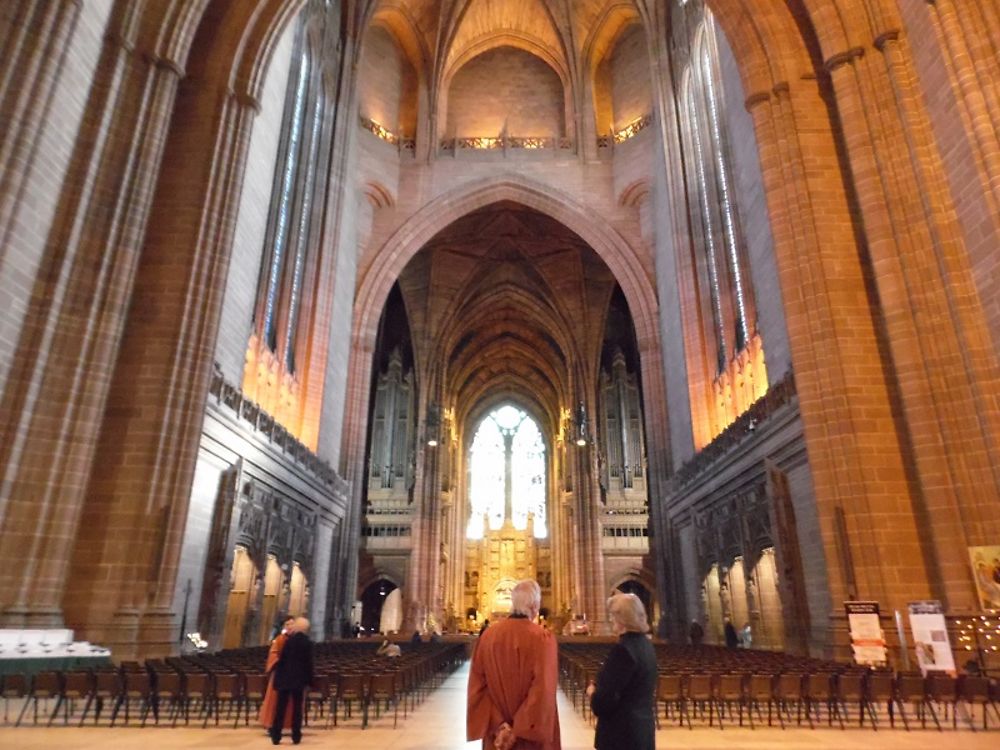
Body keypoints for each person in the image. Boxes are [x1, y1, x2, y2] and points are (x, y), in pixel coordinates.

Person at [467, 579, 560, 750]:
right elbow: (543, 690)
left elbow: (477, 686)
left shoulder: (487, 637)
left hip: (497, 738)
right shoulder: (543, 639)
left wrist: (500, 726)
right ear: (534, 606)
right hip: (530, 737)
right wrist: (517, 730)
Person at [586, 593, 657, 750]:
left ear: (622, 619)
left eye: (612, 615)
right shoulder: (647, 646)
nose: (611, 620)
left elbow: (604, 701)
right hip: (642, 731)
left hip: (622, 735)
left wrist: (592, 693)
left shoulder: (623, 650)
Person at [269, 617, 314, 745]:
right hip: (299, 680)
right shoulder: (307, 642)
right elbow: (308, 663)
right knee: (297, 708)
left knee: (280, 707)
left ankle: (276, 735)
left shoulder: (288, 641)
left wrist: (278, 679)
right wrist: (310, 681)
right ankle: (296, 735)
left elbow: (282, 661)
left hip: (284, 678)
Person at [259, 617, 295, 731]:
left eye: (292, 624)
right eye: (287, 624)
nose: (290, 626)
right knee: (275, 701)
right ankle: (272, 724)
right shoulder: (279, 640)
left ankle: (288, 724)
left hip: (293, 675)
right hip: (280, 674)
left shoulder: (298, 640)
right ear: (284, 626)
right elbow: (273, 655)